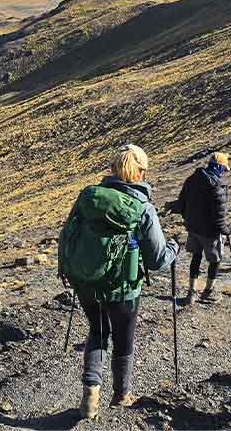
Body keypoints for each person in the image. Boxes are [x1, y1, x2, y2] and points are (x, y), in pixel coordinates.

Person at [58, 144, 178, 420]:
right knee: (123, 339)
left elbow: (68, 234)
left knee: (98, 332)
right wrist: (174, 248)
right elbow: (157, 260)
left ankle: (90, 394)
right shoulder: (142, 208)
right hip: (123, 289)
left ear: (112, 169)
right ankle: (121, 395)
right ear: (140, 173)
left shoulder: (88, 197)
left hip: (86, 284)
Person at [165, 152, 231, 305]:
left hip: (193, 228)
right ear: (219, 168)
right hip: (209, 232)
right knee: (215, 260)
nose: (224, 172)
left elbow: (181, 204)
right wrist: (226, 230)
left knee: (196, 257)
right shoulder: (217, 185)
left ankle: (191, 294)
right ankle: (208, 292)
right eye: (224, 169)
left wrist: (189, 219)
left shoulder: (191, 179)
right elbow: (219, 216)